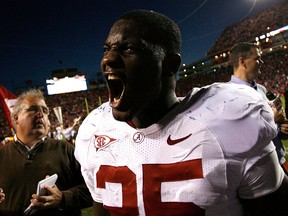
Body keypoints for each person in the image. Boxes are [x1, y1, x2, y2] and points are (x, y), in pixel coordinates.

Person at [75, 10, 288, 216]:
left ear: (170, 65)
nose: (108, 59)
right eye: (106, 49)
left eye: (129, 49)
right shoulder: (95, 130)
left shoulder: (228, 121)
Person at [0, 89, 92, 215]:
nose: (40, 114)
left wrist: (63, 198)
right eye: (33, 109)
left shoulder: (66, 150)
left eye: (44, 110)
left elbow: (93, 190)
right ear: (16, 118)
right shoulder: (2, 155)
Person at [229, 42, 288, 170]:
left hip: (280, 160)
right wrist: (273, 120)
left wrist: (282, 128)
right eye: (257, 58)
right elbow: (242, 139)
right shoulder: (229, 96)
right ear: (243, 61)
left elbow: (273, 127)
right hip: (260, 171)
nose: (262, 62)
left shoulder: (261, 89)